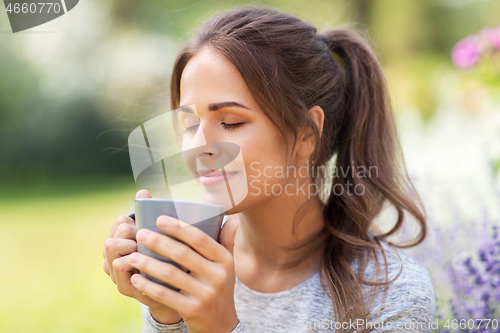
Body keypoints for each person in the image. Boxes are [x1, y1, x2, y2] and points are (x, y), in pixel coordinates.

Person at [103, 6, 436, 333]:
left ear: (307, 133)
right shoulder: (188, 269)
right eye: (190, 123)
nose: (196, 147)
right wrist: (166, 314)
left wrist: (219, 327)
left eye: (230, 122)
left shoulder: (391, 294)